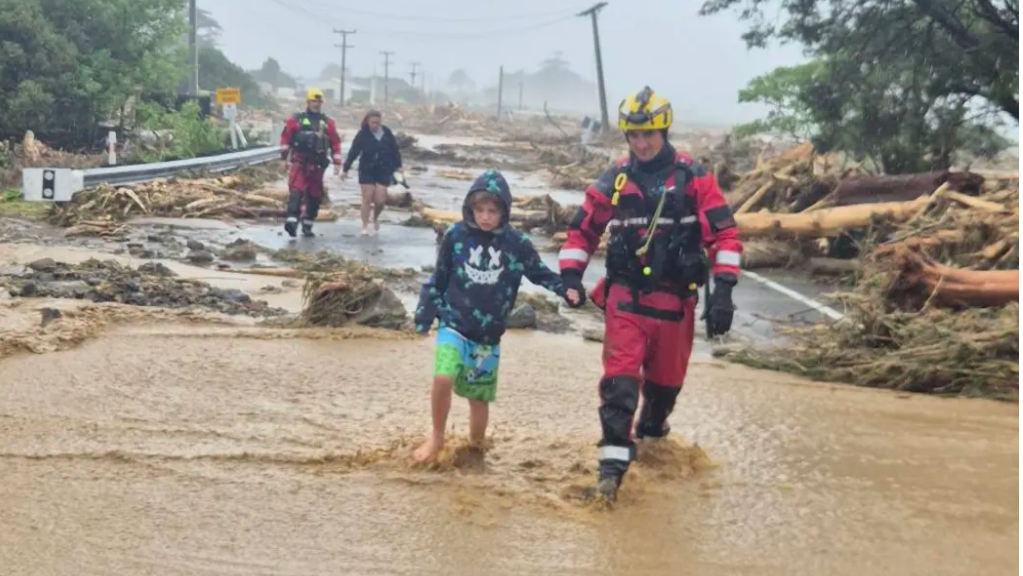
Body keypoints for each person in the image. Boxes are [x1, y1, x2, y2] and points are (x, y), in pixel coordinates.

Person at [557, 86, 743, 502]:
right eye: (633, 136)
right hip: (625, 299)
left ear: (664, 132)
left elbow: (725, 234)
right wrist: (570, 276)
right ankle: (610, 475)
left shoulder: (693, 177)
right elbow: (582, 229)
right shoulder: (617, 178)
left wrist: (724, 291)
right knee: (620, 386)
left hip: (676, 305)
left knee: (663, 394)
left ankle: (652, 436)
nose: (640, 144)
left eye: (648, 135)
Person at [412, 169, 582, 462]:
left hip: (488, 336)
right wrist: (424, 316)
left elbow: (539, 273)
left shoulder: (517, 244)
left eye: (492, 210)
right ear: (471, 208)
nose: (486, 217)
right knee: (443, 378)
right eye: (480, 210)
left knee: (479, 398)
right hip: (454, 324)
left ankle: (476, 447)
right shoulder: (456, 236)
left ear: (504, 211)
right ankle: (437, 437)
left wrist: (566, 289)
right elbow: (437, 278)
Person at [279, 87, 343, 237]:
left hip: (318, 165)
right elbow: (285, 139)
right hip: (300, 162)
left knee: (314, 195)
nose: (317, 103)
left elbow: (335, 143)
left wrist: (337, 162)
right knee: (296, 191)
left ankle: (308, 223)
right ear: (308, 101)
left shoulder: (327, 123)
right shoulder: (296, 120)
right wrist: (283, 159)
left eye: (319, 101)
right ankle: (292, 221)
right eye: (314, 100)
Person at [341, 110, 403, 236]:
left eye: (378, 123)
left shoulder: (386, 132)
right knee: (367, 198)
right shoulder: (362, 134)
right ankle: (364, 225)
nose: (375, 125)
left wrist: (399, 166)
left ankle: (375, 217)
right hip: (366, 169)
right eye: (373, 123)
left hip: (384, 169)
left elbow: (395, 149)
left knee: (380, 200)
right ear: (368, 122)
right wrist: (345, 169)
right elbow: (353, 152)